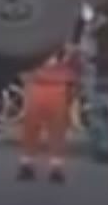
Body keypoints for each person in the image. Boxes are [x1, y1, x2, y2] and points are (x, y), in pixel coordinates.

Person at [16, 48, 78, 183]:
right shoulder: (38, 45)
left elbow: (74, 66)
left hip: (55, 85)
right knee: (32, 127)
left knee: (56, 129)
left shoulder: (66, 47)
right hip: (41, 85)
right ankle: (28, 164)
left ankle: (54, 167)